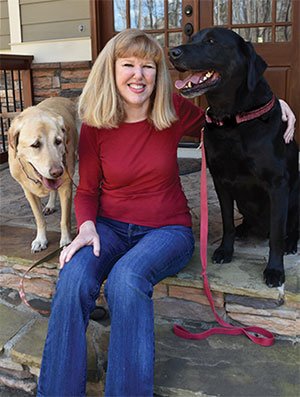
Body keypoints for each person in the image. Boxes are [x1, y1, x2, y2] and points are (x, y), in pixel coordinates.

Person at [37, 29, 296, 397]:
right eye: (128, 64)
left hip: (166, 230)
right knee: (74, 277)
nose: (138, 75)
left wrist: (276, 107)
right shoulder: (95, 124)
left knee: (127, 278)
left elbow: (231, 116)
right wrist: (87, 227)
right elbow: (88, 189)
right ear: (110, 70)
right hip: (108, 227)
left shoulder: (172, 109)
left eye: (148, 66)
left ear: (158, 73)